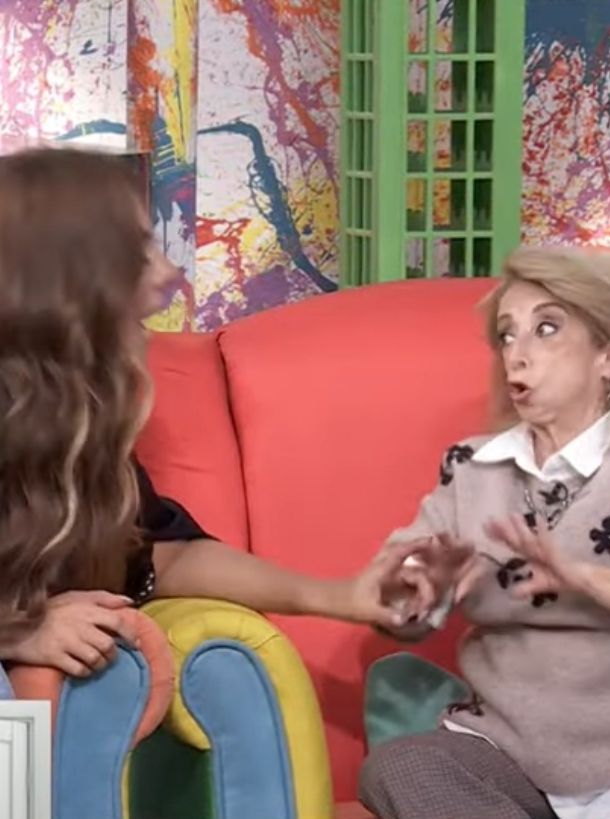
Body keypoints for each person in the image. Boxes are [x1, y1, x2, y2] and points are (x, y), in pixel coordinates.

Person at [0, 147, 429, 683]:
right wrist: (19, 631)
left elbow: (163, 558)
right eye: (139, 252)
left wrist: (341, 596)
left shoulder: (77, 421)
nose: (169, 273)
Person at [358, 246, 610, 819]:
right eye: (507, 336)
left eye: (546, 329)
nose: (518, 354)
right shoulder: (471, 466)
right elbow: (397, 598)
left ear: (609, 355)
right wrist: (416, 586)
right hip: (502, 751)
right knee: (398, 767)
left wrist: (588, 580)